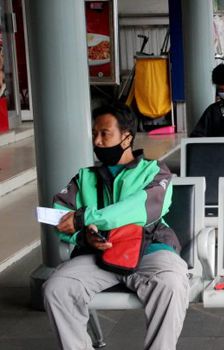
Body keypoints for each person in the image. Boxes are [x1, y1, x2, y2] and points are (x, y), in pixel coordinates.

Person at [43, 104, 188, 350]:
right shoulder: (84, 177)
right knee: (57, 289)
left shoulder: (155, 173)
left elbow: (139, 208)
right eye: (95, 134)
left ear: (127, 137)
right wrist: (85, 236)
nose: (97, 142)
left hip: (150, 250)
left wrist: (85, 218)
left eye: (105, 134)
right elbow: (60, 214)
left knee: (171, 285)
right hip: (99, 255)